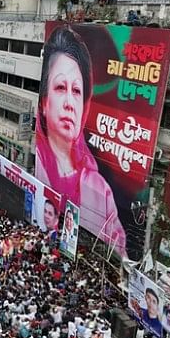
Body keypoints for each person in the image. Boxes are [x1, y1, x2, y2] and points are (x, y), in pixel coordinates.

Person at [35, 26, 127, 257]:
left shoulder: (101, 192)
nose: (69, 103)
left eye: (76, 91)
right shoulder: (38, 166)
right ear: (44, 102)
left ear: (85, 104)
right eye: (59, 88)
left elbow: (119, 260)